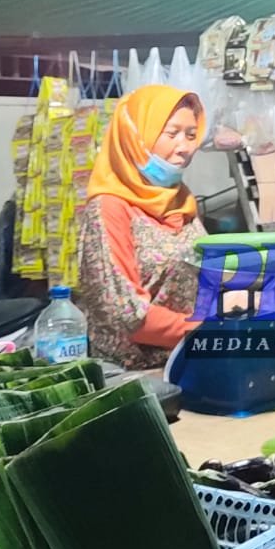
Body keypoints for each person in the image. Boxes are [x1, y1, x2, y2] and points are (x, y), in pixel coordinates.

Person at [76, 84, 209, 368]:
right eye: (172, 134)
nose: (184, 148)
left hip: (188, 357)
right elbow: (125, 312)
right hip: (136, 372)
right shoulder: (109, 208)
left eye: (191, 135)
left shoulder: (181, 199)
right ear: (135, 137)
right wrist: (208, 331)